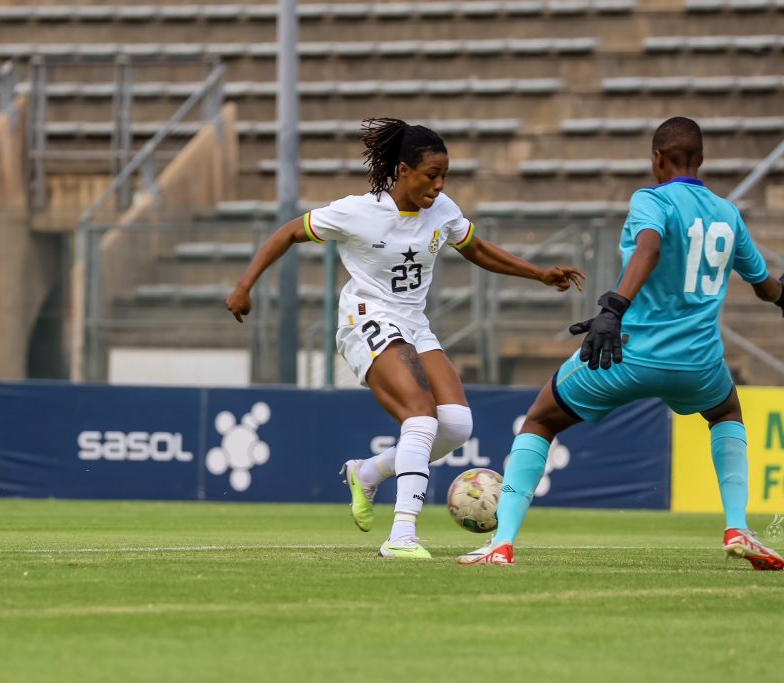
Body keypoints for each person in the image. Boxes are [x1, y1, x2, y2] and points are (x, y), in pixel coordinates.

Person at [226, 117, 585, 560]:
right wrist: (244, 285)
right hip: (365, 318)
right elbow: (288, 232)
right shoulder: (358, 212)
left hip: (413, 324)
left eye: (444, 176)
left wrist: (539, 274)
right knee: (420, 416)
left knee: (456, 425)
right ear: (403, 170)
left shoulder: (443, 210)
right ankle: (401, 536)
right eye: (431, 175)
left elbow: (476, 249)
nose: (439, 185)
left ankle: (368, 472)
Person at [458, 116, 784, 570]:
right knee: (725, 413)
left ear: (657, 159)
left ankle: (501, 544)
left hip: (628, 353)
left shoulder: (651, 200)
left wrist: (612, 308)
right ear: (701, 159)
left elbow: (649, 248)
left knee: (540, 419)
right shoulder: (727, 214)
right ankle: (737, 526)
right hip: (698, 363)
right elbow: (764, 286)